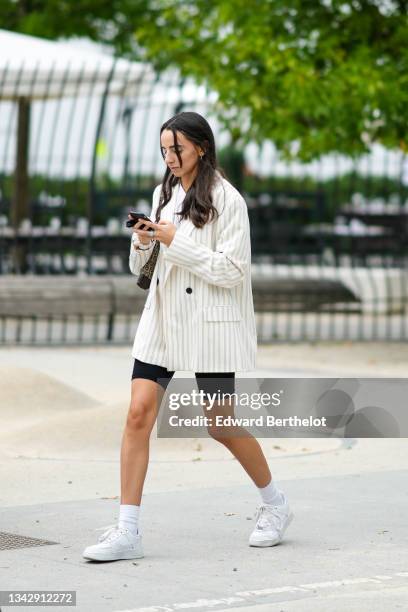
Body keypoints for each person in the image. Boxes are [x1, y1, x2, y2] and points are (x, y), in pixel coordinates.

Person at [82, 111, 293, 562]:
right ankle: (127, 529)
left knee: (220, 425)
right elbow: (142, 271)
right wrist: (143, 242)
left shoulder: (228, 199)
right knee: (138, 415)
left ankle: (275, 505)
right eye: (163, 150)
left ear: (200, 146)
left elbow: (233, 272)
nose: (170, 157)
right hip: (162, 321)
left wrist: (176, 239)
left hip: (209, 324)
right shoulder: (163, 194)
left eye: (176, 148)